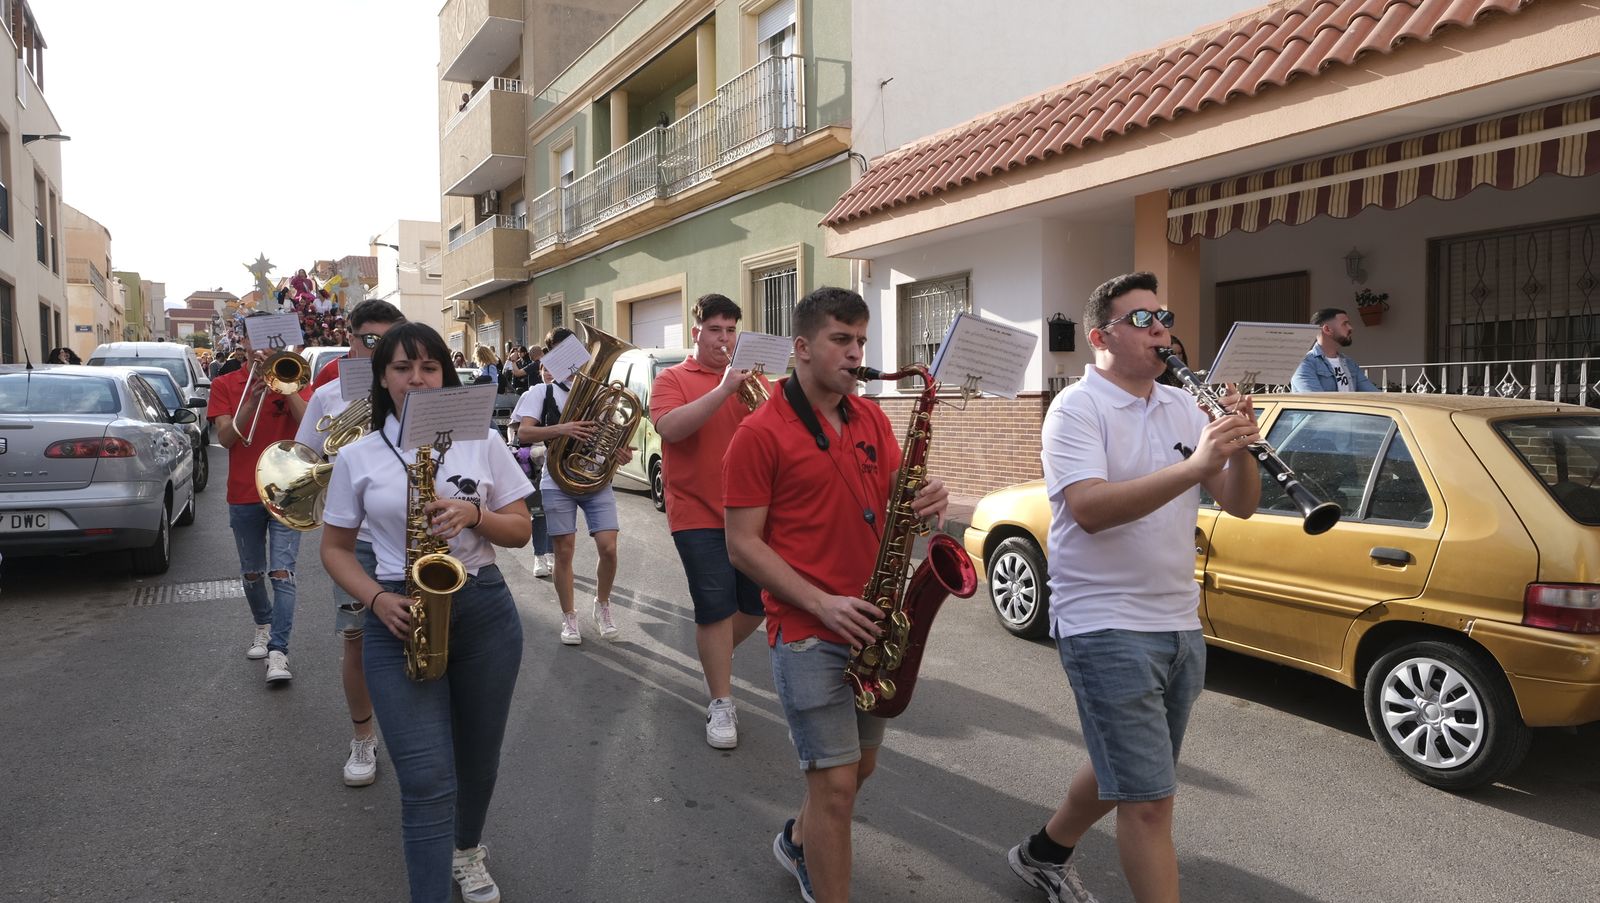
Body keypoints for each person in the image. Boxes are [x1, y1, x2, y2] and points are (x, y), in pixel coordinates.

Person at [1007, 272, 1261, 903]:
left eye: (1164, 316)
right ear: (1099, 336)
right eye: (1142, 319)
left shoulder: (1182, 405)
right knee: (1149, 803)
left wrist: (1243, 443)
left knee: (1128, 767)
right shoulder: (1075, 409)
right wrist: (1195, 466)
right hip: (1103, 623)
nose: (1161, 330)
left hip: (1177, 621)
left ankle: (1044, 853)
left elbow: (1241, 503)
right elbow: (1089, 509)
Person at [724, 286, 949, 902]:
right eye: (841, 341)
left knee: (857, 769)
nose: (856, 355)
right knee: (837, 786)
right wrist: (821, 603)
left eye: (862, 342)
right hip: (807, 630)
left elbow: (899, 487)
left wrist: (926, 497)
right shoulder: (759, 433)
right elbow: (742, 544)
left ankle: (800, 839)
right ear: (802, 347)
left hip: (875, 621)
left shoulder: (871, 415)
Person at [320, 322, 531, 903]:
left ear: (445, 373)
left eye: (429, 367)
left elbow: (520, 529)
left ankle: (467, 851)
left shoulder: (483, 440)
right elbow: (335, 550)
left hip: (485, 610)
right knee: (426, 781)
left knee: (479, 758)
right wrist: (376, 598)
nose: (416, 379)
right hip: (397, 613)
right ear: (382, 380)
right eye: (401, 368)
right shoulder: (358, 456)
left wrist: (474, 515)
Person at [293, 298, 406, 787]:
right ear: (352, 338)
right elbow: (305, 465)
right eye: (370, 340)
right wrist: (345, 469)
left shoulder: (418, 388)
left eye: (389, 340)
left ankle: (417, 733)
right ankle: (363, 737)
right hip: (357, 540)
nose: (378, 350)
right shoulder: (328, 395)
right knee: (358, 642)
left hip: (414, 536)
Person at [652, 293, 771, 749]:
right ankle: (721, 700)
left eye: (730, 330)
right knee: (715, 605)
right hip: (695, 511)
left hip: (750, 511)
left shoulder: (754, 381)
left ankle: (712, 651)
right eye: (714, 330)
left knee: (756, 605)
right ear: (696, 331)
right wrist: (723, 388)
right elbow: (670, 429)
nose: (723, 339)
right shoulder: (672, 378)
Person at [206, 311, 309, 684]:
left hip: (289, 490)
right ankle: (263, 625)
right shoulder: (225, 384)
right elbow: (226, 439)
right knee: (252, 573)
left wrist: (286, 386)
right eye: (257, 339)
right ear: (245, 343)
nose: (264, 347)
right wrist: (252, 397)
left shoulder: (293, 376)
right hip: (244, 491)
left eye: (272, 339)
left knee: (282, 572)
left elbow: (309, 426)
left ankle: (279, 651)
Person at [513, 327, 634, 645]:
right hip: (557, 478)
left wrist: (618, 450)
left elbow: (611, 435)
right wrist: (561, 428)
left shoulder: (599, 393)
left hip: (594, 477)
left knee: (608, 548)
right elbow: (523, 434)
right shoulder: (540, 393)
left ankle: (602, 605)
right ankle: (569, 618)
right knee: (563, 552)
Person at [510, 363, 556, 577]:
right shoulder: (532, 394)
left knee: (556, 511)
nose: (548, 372)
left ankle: (552, 553)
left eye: (553, 368)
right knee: (539, 511)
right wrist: (520, 453)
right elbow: (515, 429)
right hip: (534, 464)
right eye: (545, 368)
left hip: (558, 461)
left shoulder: (567, 395)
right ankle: (539, 556)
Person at [1290, 308, 1380, 392]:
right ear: (1327, 329)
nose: (1350, 328)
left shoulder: (1349, 363)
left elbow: (1373, 394)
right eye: (1345, 324)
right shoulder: (1304, 363)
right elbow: (1317, 403)